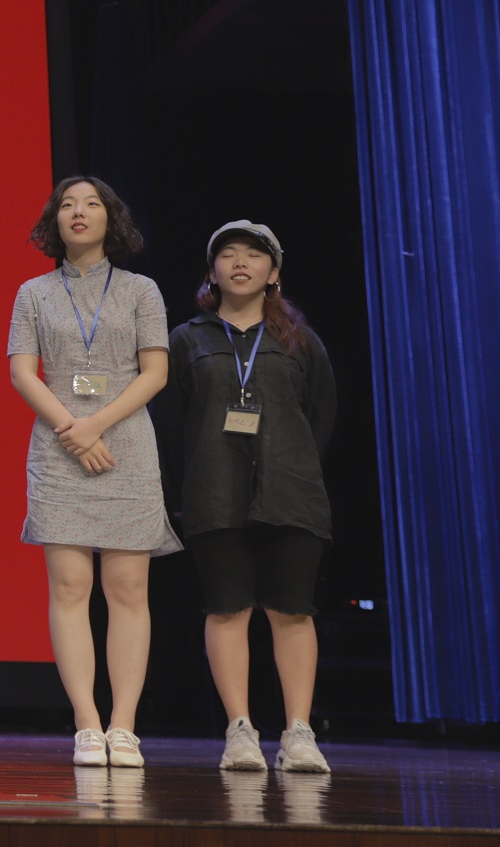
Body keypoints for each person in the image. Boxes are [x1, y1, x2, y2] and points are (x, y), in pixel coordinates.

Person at [7, 175, 178, 768]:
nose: (78, 212)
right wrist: (72, 430)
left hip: (126, 444)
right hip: (59, 447)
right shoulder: (33, 292)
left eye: (91, 204)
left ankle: (124, 726)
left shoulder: (140, 290)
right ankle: (86, 723)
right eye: (67, 205)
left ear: (112, 218)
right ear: (54, 220)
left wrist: (96, 425)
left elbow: (155, 372)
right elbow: (23, 373)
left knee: (128, 589)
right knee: (69, 588)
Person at [153, 221, 336, 774]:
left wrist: (293, 468)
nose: (239, 263)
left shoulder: (300, 341)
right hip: (214, 492)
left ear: (273, 272)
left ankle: (299, 733)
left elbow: (321, 417)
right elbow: (170, 422)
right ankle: (240, 730)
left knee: (292, 610)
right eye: (227, 254)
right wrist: (184, 488)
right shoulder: (186, 339)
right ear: (211, 273)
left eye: (254, 255)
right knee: (226, 609)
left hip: (291, 493)